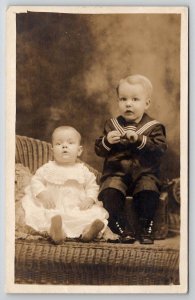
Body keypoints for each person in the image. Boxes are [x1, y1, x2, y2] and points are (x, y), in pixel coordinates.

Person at [95, 74, 167, 244]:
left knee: (149, 190)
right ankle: (121, 226)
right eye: (123, 99)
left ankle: (145, 226)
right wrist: (107, 141)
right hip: (117, 173)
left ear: (146, 103)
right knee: (109, 191)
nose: (128, 104)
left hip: (144, 173)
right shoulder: (112, 125)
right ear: (118, 101)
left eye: (135, 99)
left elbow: (160, 149)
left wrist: (140, 139)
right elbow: (99, 150)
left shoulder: (154, 127)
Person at [22, 126, 108, 244]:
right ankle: (57, 232)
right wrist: (42, 193)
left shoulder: (83, 171)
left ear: (79, 151)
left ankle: (88, 231)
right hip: (53, 206)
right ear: (52, 150)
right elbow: (35, 181)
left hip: (77, 207)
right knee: (47, 216)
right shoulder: (47, 168)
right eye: (58, 143)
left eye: (70, 143)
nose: (64, 146)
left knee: (89, 215)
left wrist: (90, 199)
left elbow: (92, 186)